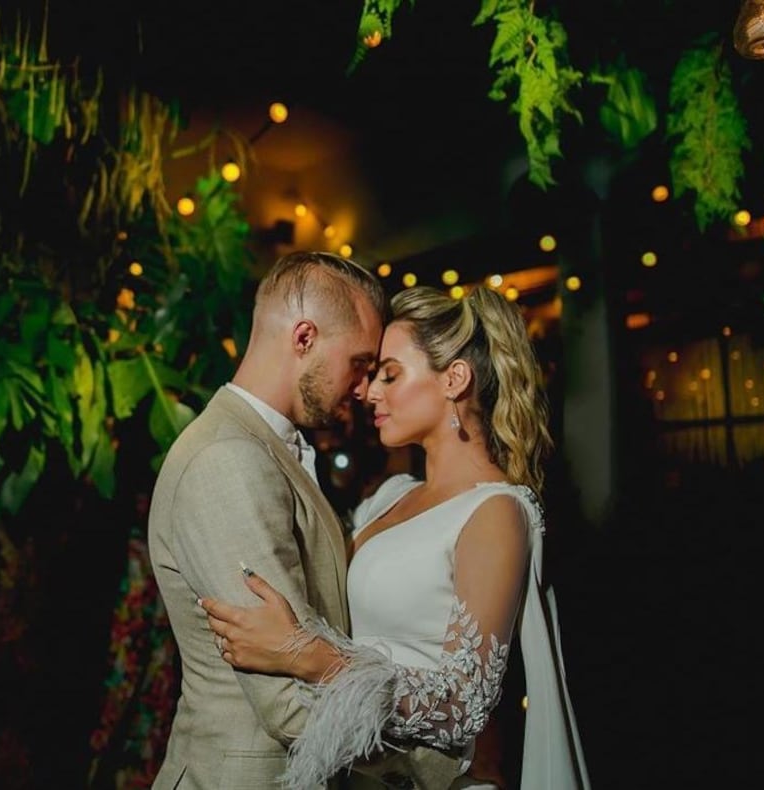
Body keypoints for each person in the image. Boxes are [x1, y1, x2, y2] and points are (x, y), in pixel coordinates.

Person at [200, 285, 591, 790]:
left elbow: (463, 705)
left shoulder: (494, 511)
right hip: (356, 772)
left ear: (454, 379)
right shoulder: (389, 496)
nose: (369, 393)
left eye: (390, 374)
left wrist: (308, 657)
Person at [148, 252, 464, 789]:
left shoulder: (265, 446)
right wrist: (430, 767)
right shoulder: (227, 459)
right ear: (303, 338)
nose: (363, 389)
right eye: (359, 363)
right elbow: (288, 702)